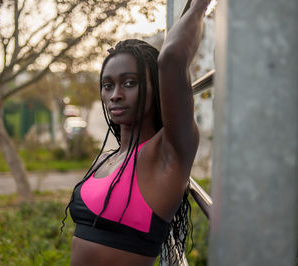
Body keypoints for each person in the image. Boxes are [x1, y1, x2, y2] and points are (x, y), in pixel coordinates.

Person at [63, 0, 210, 265]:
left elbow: (173, 57)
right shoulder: (107, 158)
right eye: (108, 85)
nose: (116, 95)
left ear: (156, 88)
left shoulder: (167, 153)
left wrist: (200, 4)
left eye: (129, 83)